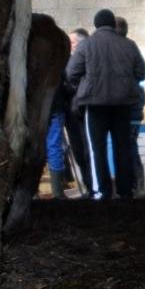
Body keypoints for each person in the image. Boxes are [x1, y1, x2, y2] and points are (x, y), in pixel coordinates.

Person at [66, 9, 145, 199]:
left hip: (94, 106)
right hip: (123, 105)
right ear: (112, 24)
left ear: (95, 25)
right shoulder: (129, 45)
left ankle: (101, 191)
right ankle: (126, 190)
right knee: (123, 148)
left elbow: (71, 73)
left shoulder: (86, 45)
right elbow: (141, 73)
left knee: (97, 150)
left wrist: (82, 86)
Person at [115, 17, 145, 198]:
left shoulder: (111, 48)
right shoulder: (132, 46)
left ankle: (129, 186)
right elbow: (142, 73)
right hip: (134, 105)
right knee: (130, 145)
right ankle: (138, 186)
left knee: (123, 147)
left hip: (119, 106)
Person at [62, 28, 93, 194]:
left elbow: (70, 80)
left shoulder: (89, 58)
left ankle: (93, 186)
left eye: (72, 42)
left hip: (83, 109)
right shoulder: (67, 59)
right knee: (78, 150)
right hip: (71, 111)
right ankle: (88, 185)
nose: (69, 45)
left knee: (87, 149)